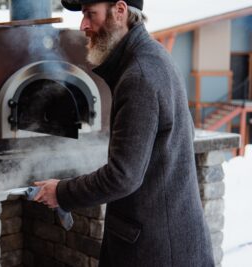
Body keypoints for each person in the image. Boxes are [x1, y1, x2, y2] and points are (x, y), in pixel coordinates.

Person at [34, 0, 215, 266]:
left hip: (156, 251)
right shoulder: (150, 56)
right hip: (166, 238)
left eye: (90, 14)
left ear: (120, 11)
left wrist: (62, 192)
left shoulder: (139, 75)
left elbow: (123, 177)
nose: (83, 25)